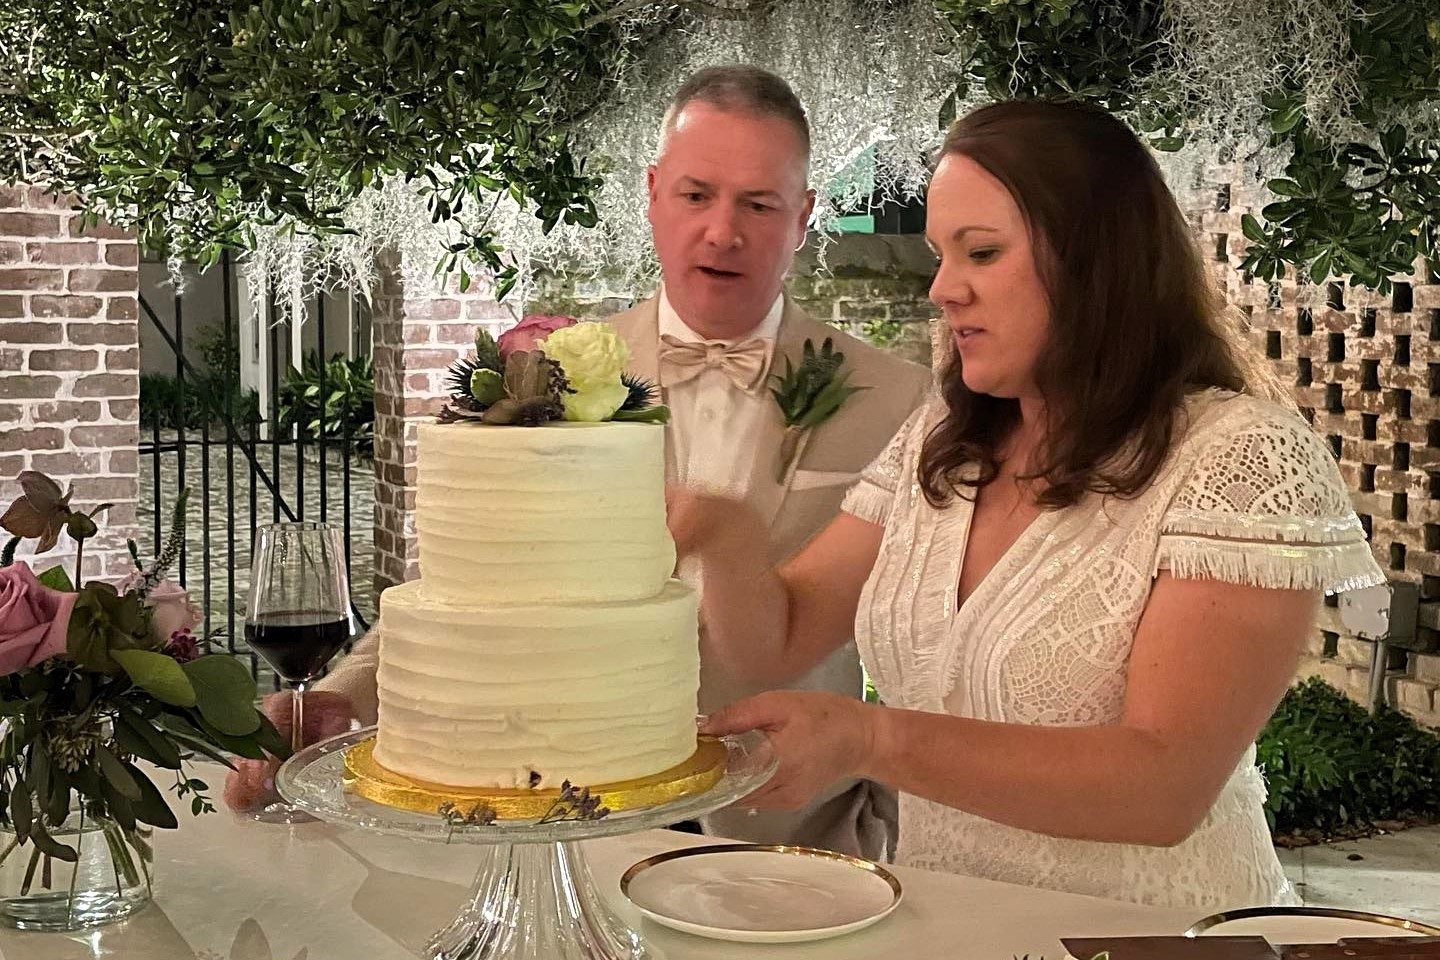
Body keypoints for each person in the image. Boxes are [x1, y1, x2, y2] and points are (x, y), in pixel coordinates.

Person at [667, 99, 1384, 910]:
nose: (942, 289)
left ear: (1096, 262)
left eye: (981, 252)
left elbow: (1164, 787)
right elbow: (781, 639)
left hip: (1152, 933)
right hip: (946, 927)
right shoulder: (940, 440)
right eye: (941, 254)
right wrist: (720, 530)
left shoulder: (1238, 456)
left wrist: (872, 738)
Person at [226, 65, 931, 863]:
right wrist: (341, 697)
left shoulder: (897, 397)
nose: (723, 231)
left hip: (793, 838)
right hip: (567, 825)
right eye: (697, 195)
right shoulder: (547, 375)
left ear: (803, 216)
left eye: (759, 203)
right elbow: (473, 590)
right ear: (654, 194)